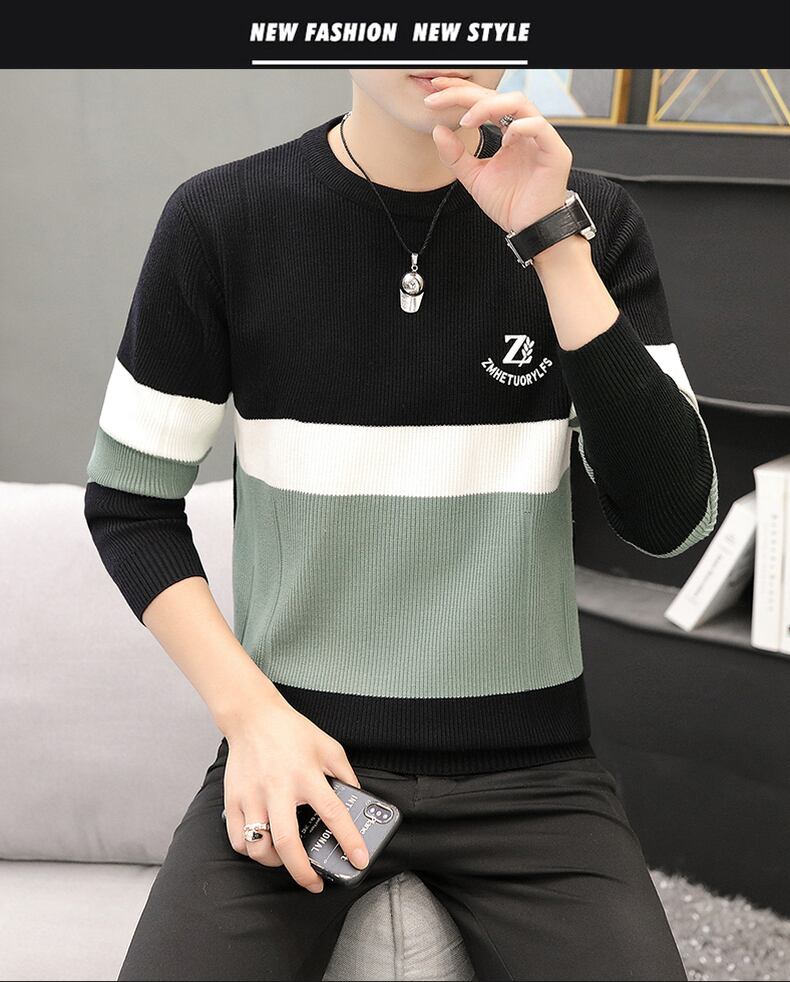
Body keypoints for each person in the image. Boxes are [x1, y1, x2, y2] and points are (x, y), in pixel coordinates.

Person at [84, 67, 717, 981]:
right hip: (301, 753)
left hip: (534, 777)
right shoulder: (223, 218)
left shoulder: (592, 219)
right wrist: (253, 718)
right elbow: (129, 501)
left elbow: (674, 519)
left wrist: (550, 241)